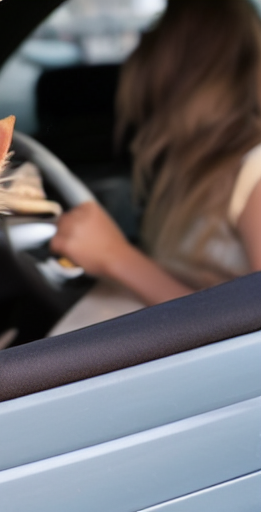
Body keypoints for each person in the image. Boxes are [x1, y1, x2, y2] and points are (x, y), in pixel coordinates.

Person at [49, 0, 261, 334]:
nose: (143, 46)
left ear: (184, 62)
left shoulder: (255, 172)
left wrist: (115, 257)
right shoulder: (192, 165)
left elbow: (250, 338)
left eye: (160, 32)